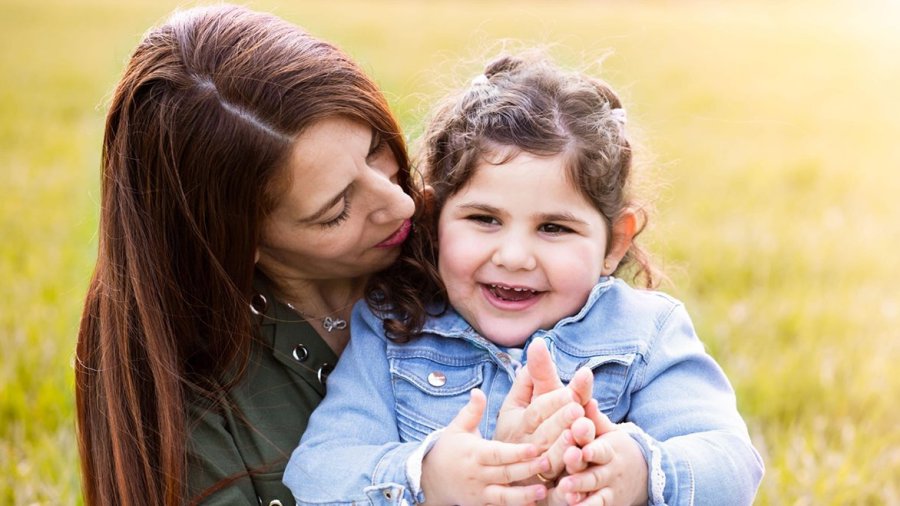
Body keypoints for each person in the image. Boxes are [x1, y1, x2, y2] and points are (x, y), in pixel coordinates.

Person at [284, 53, 765, 505]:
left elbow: (734, 463)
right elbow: (317, 469)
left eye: (553, 228)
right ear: (432, 219)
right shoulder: (395, 331)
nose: (513, 257)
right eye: (484, 219)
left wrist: (638, 471)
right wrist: (426, 476)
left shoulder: (646, 334)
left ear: (615, 242)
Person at [75, 5, 422, 504]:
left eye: (375, 151)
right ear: (239, 240)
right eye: (336, 209)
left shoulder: (471, 246)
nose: (403, 202)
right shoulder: (185, 394)